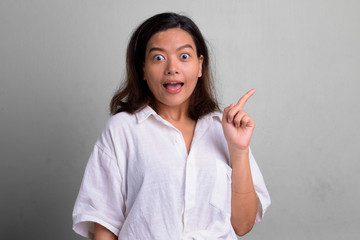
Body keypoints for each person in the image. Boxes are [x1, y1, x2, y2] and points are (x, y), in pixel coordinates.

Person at [72, 12, 270, 240]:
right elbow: (105, 224)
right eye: (158, 58)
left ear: (199, 66)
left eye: (184, 56)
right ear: (143, 69)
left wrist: (239, 150)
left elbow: (242, 225)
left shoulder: (222, 130)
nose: (172, 68)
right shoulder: (122, 130)